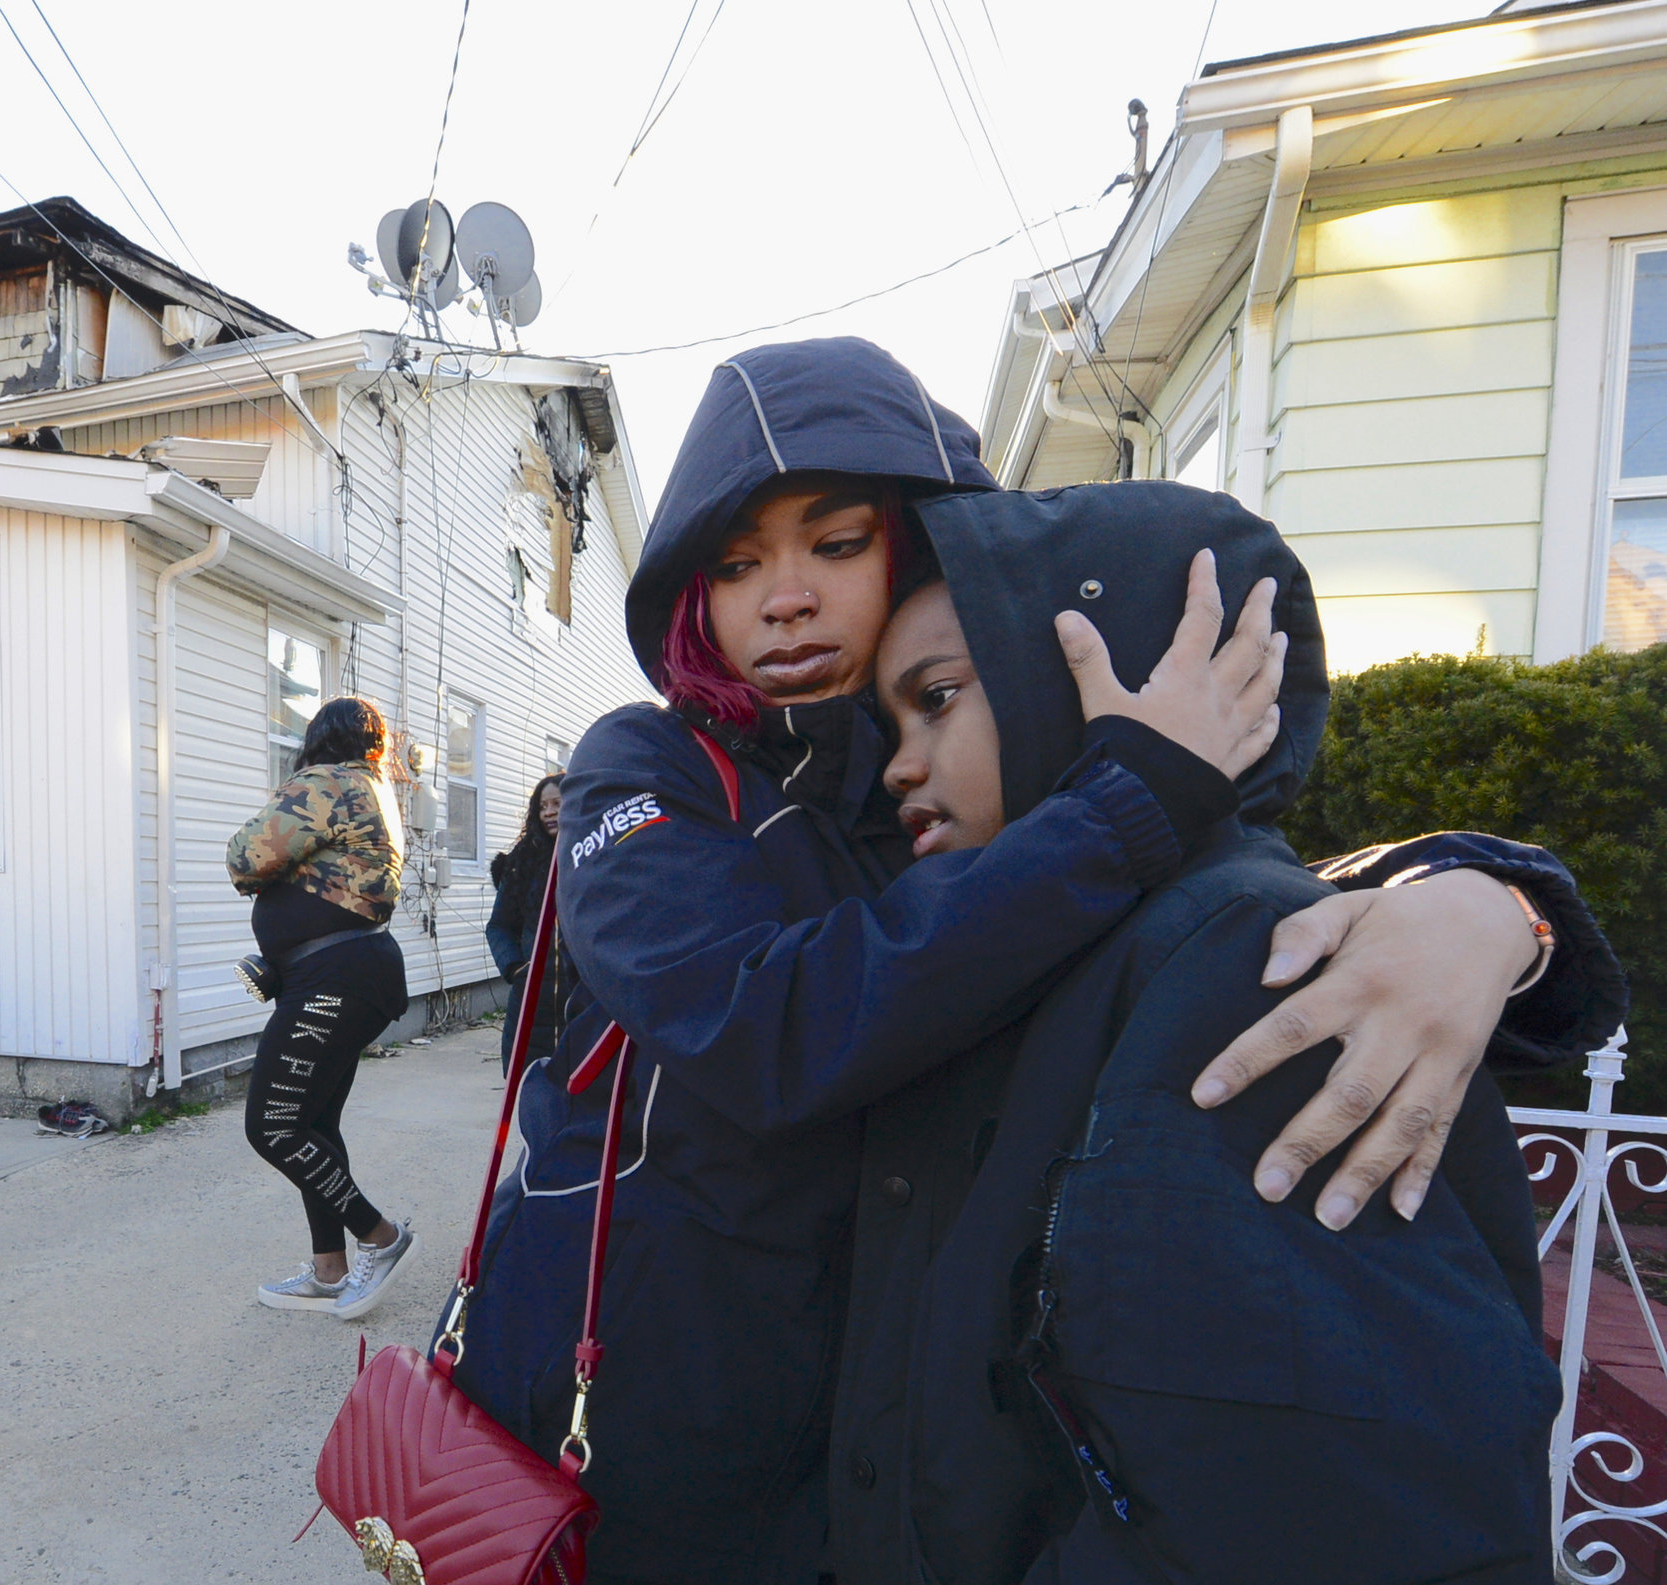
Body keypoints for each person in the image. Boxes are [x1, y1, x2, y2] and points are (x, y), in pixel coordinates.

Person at [443, 337, 1612, 1585]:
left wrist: (1486, 903)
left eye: (837, 545)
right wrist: (1120, 804)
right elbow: (758, 1021)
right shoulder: (656, 764)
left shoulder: (978, 799)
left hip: (852, 1437)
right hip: (625, 1387)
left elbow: (1219, 894)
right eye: (734, 566)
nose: (782, 596)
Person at [834, 482, 1598, 1582]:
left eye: (939, 696)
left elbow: (1326, 1498)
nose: (898, 765)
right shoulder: (1052, 943)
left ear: (1117, 675)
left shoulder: (1252, 963)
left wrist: (1497, 911)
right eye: (889, 724)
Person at [226, 695, 421, 1321]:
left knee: (274, 1124)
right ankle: (328, 1271)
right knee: (314, 1123)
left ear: (320, 739)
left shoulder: (327, 782)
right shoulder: (375, 787)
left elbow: (245, 856)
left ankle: (381, 1238)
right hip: (351, 968)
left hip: (333, 975)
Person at [486, 775, 566, 1073]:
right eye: (543, 806)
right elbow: (499, 926)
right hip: (531, 1003)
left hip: (581, 1002)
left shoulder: (594, 858)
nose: (549, 812)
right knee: (529, 1090)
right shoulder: (522, 862)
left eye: (557, 803)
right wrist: (515, 967)